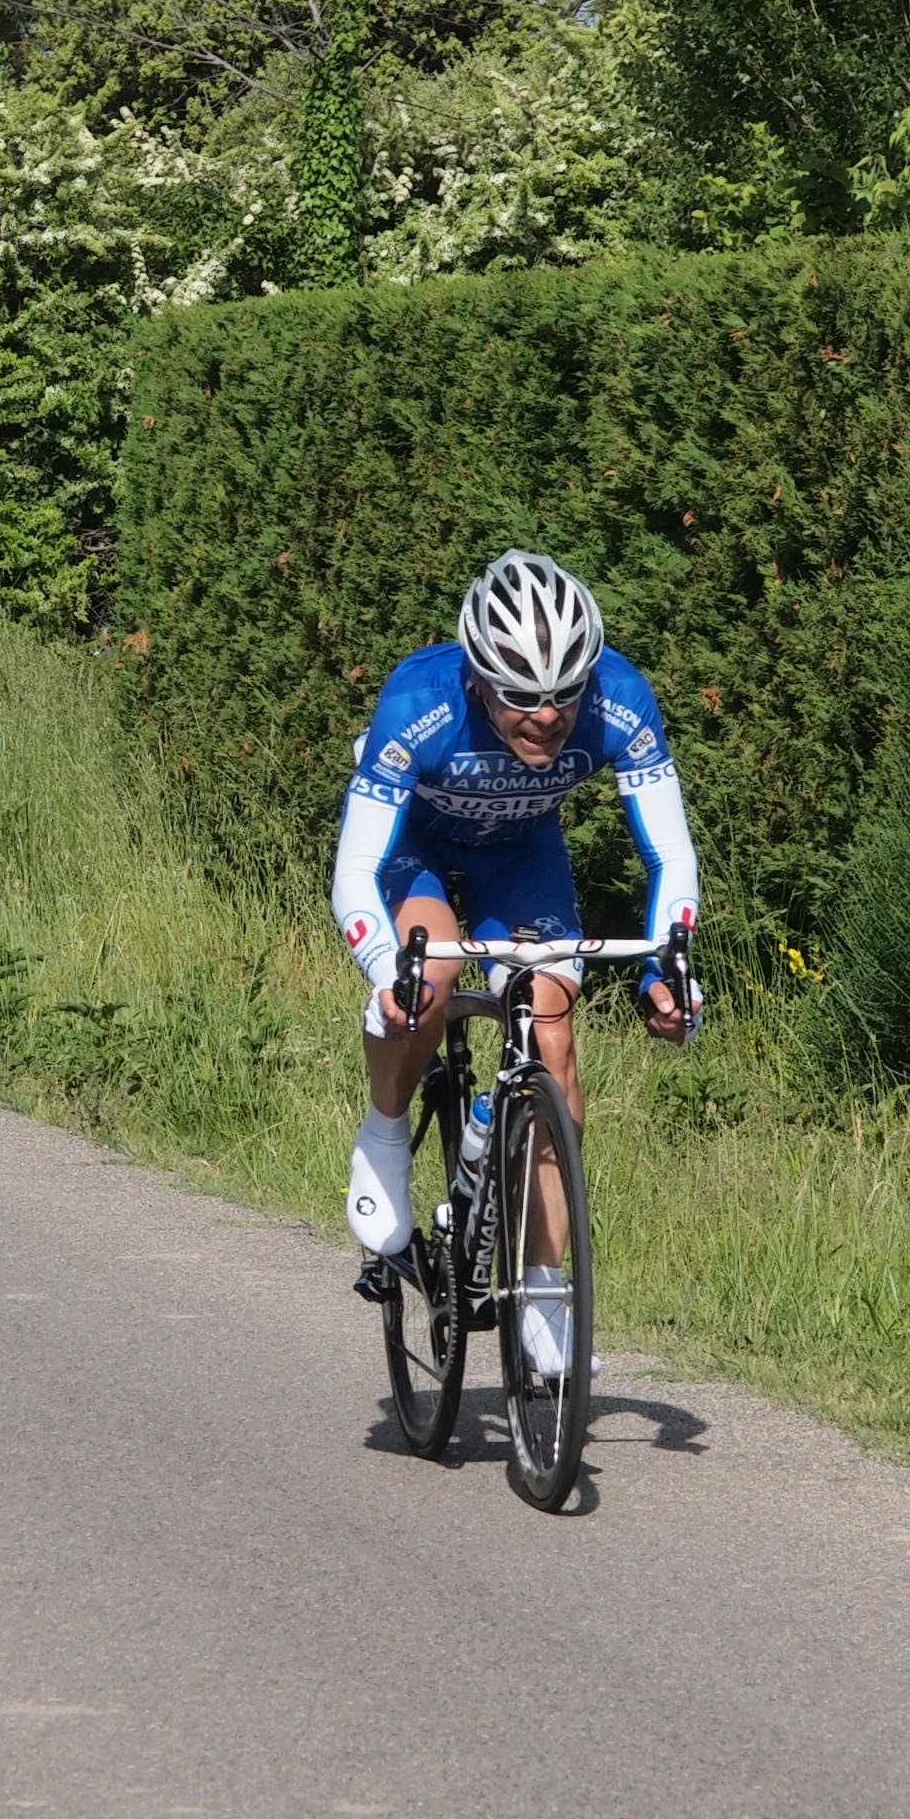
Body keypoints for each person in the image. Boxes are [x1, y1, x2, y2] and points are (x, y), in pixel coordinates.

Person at [329, 551, 702, 1370]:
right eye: (521, 697)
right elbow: (355, 868)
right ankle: (385, 1134)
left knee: (553, 1040)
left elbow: (669, 853)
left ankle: (543, 1292)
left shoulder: (622, 698)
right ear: (476, 679)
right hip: (415, 852)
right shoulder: (418, 701)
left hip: (521, 857)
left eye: (566, 693)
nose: (548, 716)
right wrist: (386, 969)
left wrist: (667, 970)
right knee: (429, 981)